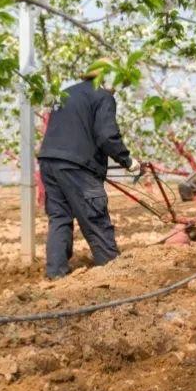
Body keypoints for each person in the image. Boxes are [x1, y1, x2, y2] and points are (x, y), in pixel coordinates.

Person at [37, 60, 141, 279]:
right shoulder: (102, 96)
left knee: (59, 217)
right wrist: (127, 161)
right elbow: (106, 136)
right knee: (94, 216)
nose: (117, 87)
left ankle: (56, 272)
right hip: (77, 167)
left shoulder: (65, 94)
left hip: (49, 161)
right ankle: (112, 269)